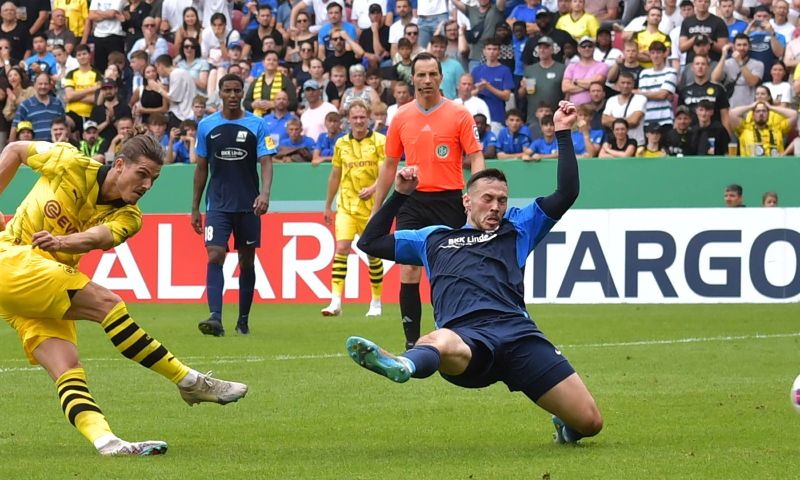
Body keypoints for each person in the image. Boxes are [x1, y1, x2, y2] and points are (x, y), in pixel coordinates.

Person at [347, 100, 603, 446]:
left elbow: (567, 192)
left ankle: (566, 425)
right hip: (468, 340)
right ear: (467, 201)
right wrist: (399, 195)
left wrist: (562, 132)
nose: (496, 206)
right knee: (441, 339)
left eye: (502, 200)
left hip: (519, 335)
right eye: (487, 199)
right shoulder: (434, 237)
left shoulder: (518, 228)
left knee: (591, 422)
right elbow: (371, 242)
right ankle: (402, 365)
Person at [0, 132, 248, 456]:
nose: (147, 185)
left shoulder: (130, 217)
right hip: (12, 260)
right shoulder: (69, 161)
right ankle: (189, 381)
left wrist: (61, 243)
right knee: (108, 304)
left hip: (41, 284)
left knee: (67, 367)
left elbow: (96, 237)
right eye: (141, 174)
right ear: (119, 165)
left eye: (154, 179)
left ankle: (107, 442)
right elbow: (16, 149)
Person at [372, 52, 485, 351]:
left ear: (440, 76)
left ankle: (450, 334)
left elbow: (476, 155)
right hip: (412, 200)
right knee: (409, 268)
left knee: (448, 270)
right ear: (412, 79)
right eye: (420, 75)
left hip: (449, 201)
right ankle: (411, 343)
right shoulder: (400, 117)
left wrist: (478, 195)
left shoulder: (459, 114)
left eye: (432, 74)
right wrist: (377, 208)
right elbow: (389, 164)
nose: (426, 80)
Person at [192, 74, 277, 337]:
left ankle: (243, 320)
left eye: (236, 90)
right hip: (217, 205)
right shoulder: (206, 126)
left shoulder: (257, 124)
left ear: (242, 93)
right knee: (215, 254)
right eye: (227, 90)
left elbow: (266, 162)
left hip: (248, 205)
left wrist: (264, 194)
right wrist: (194, 207)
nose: (231, 94)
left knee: (246, 261)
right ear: (219, 92)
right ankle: (215, 317)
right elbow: (201, 167)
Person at [321, 99, 385, 317]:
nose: (358, 121)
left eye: (362, 117)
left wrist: (373, 188)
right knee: (341, 249)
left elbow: (387, 173)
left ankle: (376, 302)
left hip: (372, 208)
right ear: (348, 119)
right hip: (346, 205)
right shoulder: (341, 144)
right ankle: (335, 301)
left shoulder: (379, 141)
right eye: (354, 117)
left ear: (368, 118)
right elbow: (335, 175)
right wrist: (328, 205)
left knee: (372, 253)